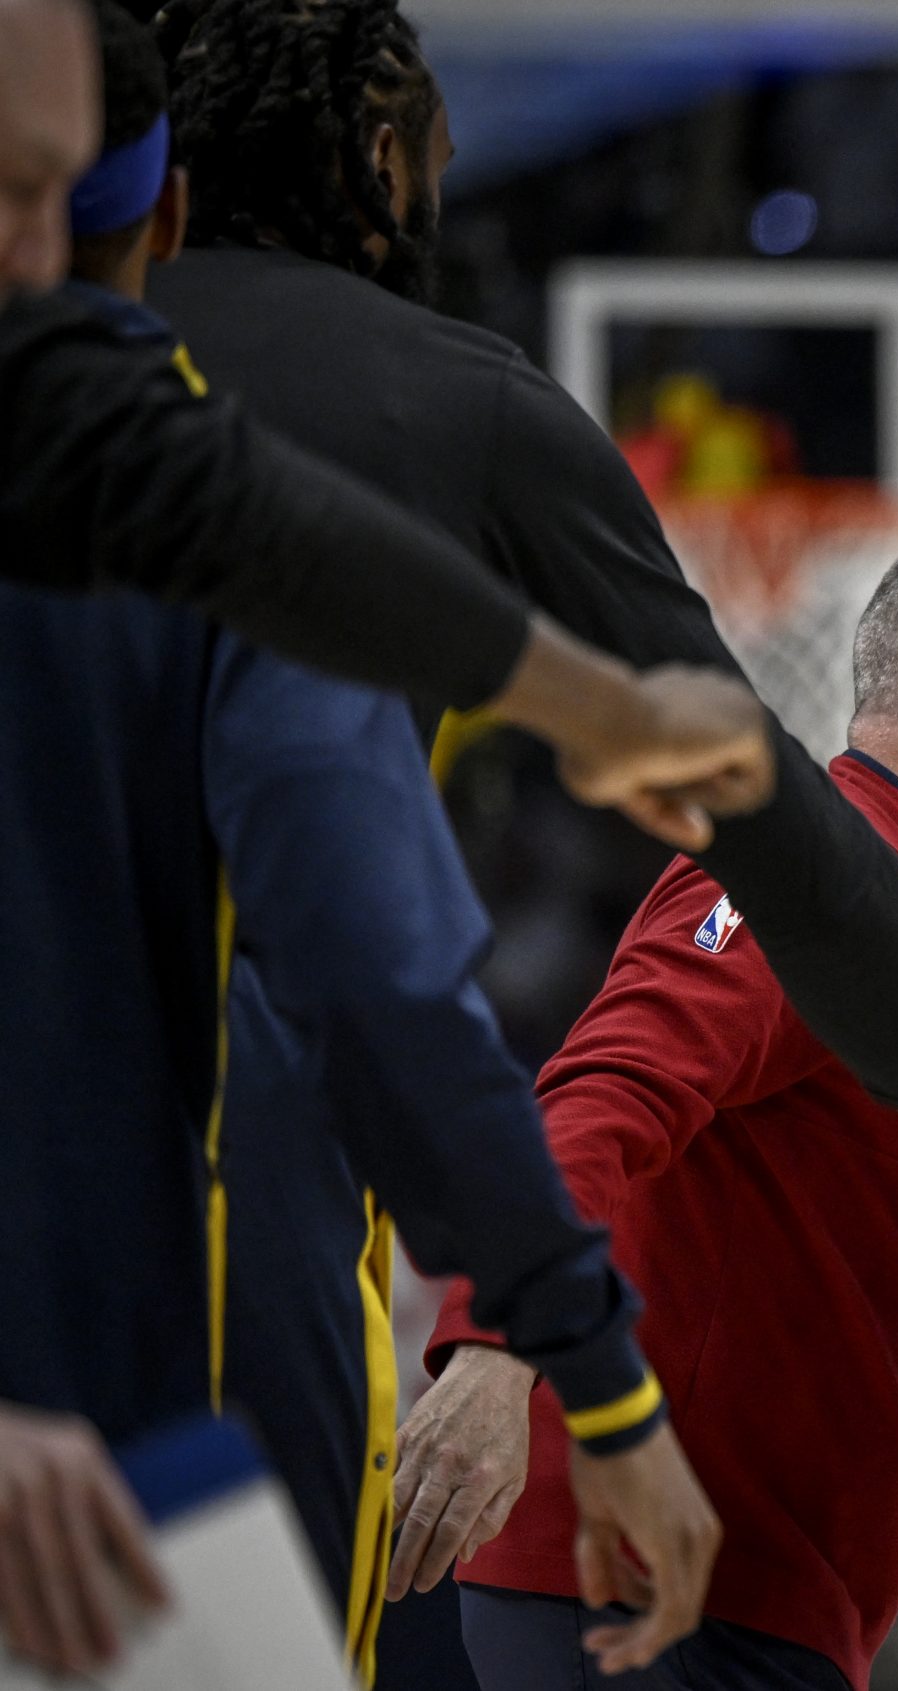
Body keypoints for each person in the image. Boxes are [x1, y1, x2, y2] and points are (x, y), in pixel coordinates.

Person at [138, 0, 898, 1668]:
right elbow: (660, 973)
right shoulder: (453, 409)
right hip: (265, 1175)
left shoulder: (70, 386)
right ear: (379, 150)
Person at [0, 6, 723, 1679]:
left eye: (34, 190)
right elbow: (387, 986)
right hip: (98, 1494)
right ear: (160, 234)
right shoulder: (201, 520)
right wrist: (596, 1370)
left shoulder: (204, 509)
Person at [396, 518, 898, 1691]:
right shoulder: (813, 871)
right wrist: (496, 1348)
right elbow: (607, 1089)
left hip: (778, 1611)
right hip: (635, 1584)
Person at [0, 0, 776, 834]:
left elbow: (260, 525)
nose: (45, 253)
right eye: (19, 186)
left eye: (64, 196)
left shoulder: (89, 422)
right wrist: (617, 718)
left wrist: (612, 717)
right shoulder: (459, 398)